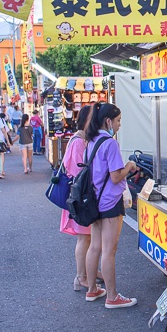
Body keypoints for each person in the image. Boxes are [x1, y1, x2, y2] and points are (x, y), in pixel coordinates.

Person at [83, 102, 139, 309]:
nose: (119, 125)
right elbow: (116, 177)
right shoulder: (110, 143)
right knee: (109, 251)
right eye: (118, 121)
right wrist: (130, 166)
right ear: (108, 121)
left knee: (95, 246)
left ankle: (92, 289)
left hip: (94, 200)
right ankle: (112, 297)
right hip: (110, 202)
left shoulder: (91, 141)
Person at [60, 105, 99, 292]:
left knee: (88, 237)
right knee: (84, 238)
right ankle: (80, 277)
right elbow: (77, 171)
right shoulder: (78, 141)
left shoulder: (82, 139)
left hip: (82, 197)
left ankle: (88, 271)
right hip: (81, 198)